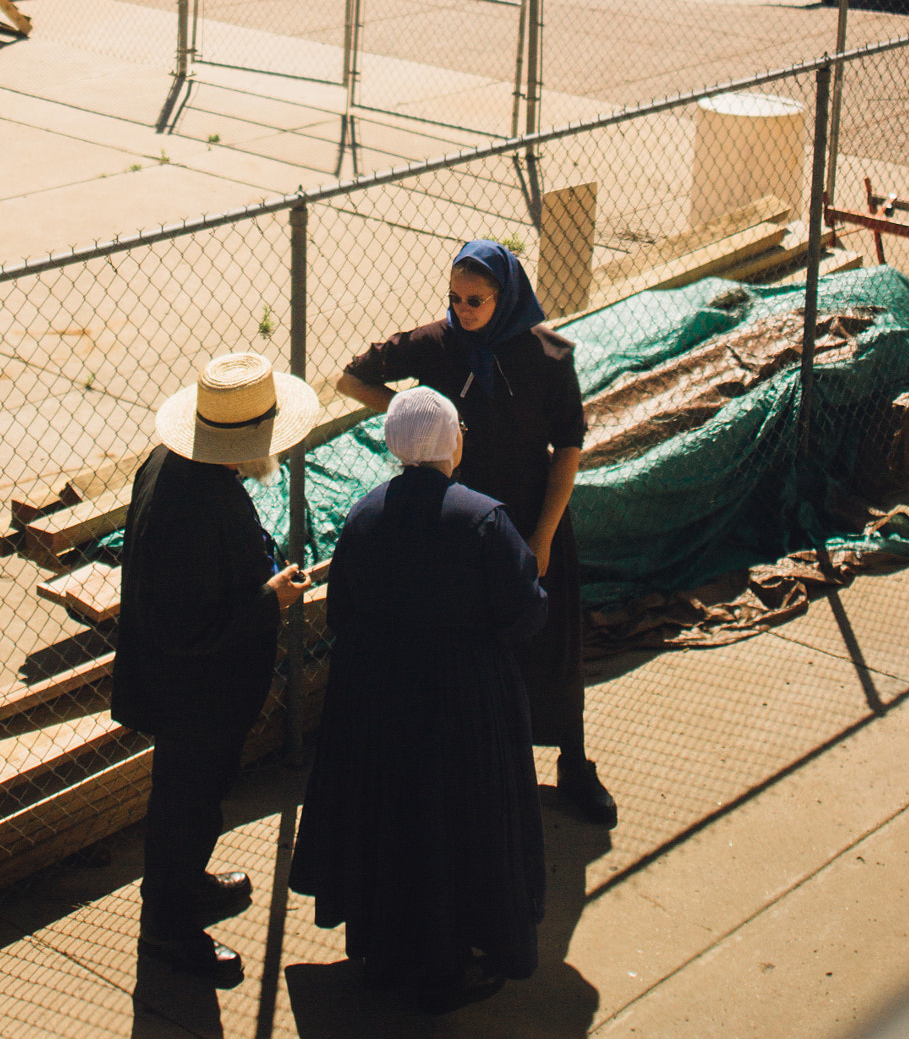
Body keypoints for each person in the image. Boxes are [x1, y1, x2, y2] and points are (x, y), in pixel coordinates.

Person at [336, 238, 616, 826]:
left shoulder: (549, 355)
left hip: (532, 510)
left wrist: (541, 537)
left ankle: (573, 761)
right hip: (461, 519)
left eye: (476, 301)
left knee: (553, 642)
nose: (462, 311)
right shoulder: (435, 346)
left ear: (506, 296)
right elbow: (350, 378)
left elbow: (568, 447)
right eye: (455, 299)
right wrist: (419, 419)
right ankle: (484, 767)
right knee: (476, 648)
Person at [290, 387, 548, 1011]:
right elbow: (524, 614)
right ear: (449, 442)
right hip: (464, 704)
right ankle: (447, 960)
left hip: (376, 701)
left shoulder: (364, 515)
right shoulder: (483, 518)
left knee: (392, 822)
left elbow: (342, 613)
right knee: (457, 825)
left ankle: (385, 949)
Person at [112, 349, 319, 985]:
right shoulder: (195, 503)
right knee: (187, 806)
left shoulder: (176, 468)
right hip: (193, 696)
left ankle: (185, 887)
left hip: (186, 690)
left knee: (192, 803)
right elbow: (189, 627)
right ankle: (170, 933)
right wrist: (271, 598)